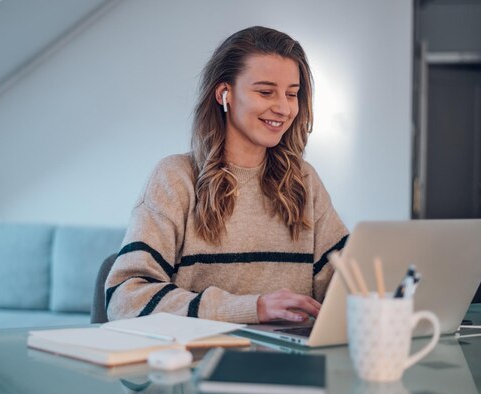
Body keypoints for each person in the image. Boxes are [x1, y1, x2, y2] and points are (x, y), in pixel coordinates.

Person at [105, 26, 348, 324]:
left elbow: (347, 281)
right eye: (265, 92)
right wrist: (252, 308)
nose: (283, 107)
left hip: (290, 363)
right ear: (224, 93)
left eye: (292, 94)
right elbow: (125, 299)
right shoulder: (175, 178)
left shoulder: (304, 181)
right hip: (198, 363)